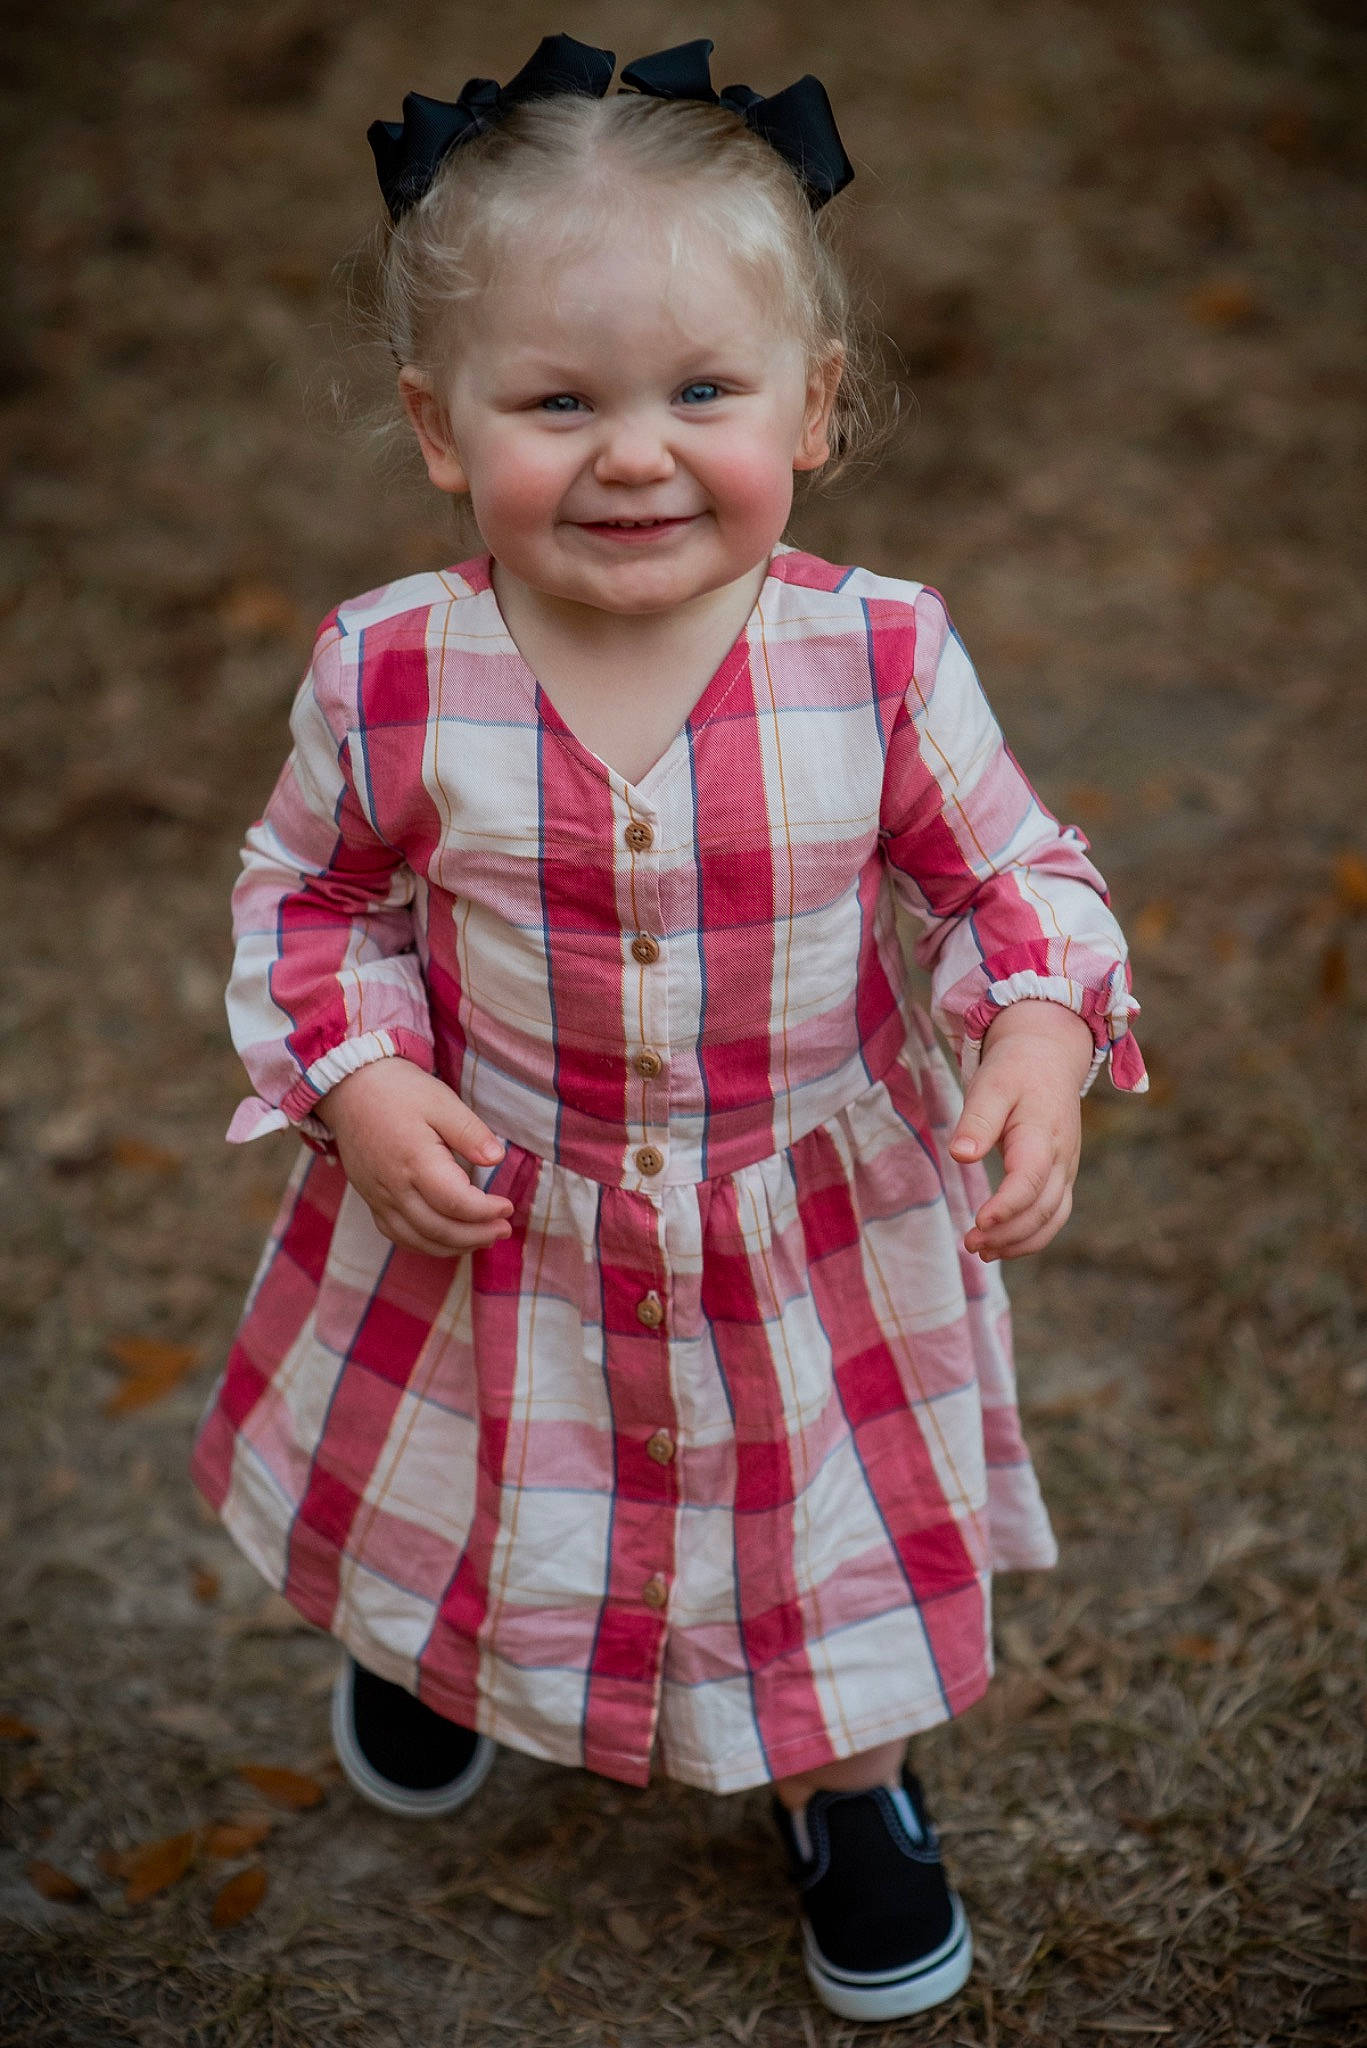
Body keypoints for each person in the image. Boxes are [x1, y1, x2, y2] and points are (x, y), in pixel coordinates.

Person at [191, 35, 1146, 2024]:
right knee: (462, 1475)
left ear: (813, 410)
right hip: (492, 1194)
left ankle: (848, 1782)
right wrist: (360, 1070)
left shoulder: (878, 657)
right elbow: (317, 894)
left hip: (796, 1218)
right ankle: (434, 1643)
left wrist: (1040, 1031)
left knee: (806, 1524)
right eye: (558, 401)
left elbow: (1009, 874)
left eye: (701, 391)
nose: (633, 450)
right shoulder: (394, 671)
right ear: (440, 430)